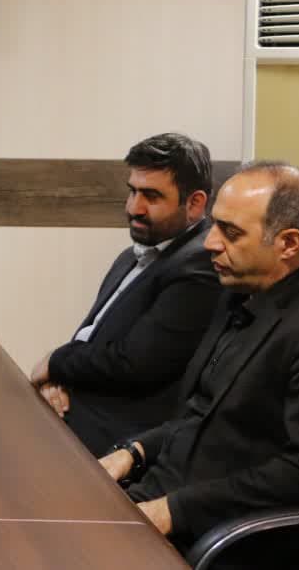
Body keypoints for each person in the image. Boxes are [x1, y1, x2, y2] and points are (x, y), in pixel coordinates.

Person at [98, 162, 299, 552]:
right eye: (214, 225)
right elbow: (202, 415)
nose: (210, 243)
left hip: (214, 536)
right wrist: (134, 452)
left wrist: (172, 511)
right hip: (153, 499)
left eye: (230, 233)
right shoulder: (238, 294)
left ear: (288, 243)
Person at [27, 133, 222, 455]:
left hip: (119, 436)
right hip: (79, 408)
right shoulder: (133, 255)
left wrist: (56, 362)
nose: (134, 208)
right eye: (132, 191)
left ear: (195, 203)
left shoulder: (200, 265)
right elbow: (91, 340)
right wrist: (57, 382)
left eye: (151, 196)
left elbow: (136, 364)